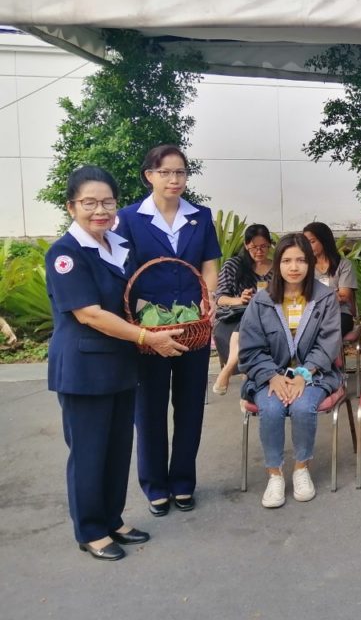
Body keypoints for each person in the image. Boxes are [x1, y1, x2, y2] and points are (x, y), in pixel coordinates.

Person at [46, 166, 187, 561]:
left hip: (121, 366)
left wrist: (165, 318)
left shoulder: (117, 246)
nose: (100, 211)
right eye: (89, 203)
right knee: (89, 452)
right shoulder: (66, 253)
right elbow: (90, 314)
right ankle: (91, 530)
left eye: (107, 202)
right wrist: (147, 337)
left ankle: (113, 518)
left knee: (117, 449)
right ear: (71, 207)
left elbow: (128, 301)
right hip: (84, 370)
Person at [115, 144, 221, 516]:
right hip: (149, 328)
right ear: (150, 176)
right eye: (165, 172)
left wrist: (209, 299)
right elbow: (123, 270)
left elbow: (209, 263)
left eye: (180, 172)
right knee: (150, 409)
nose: (174, 179)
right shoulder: (129, 218)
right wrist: (139, 315)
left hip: (193, 325)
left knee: (190, 407)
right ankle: (155, 485)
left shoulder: (200, 216)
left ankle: (183, 482)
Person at [237, 233, 343, 508]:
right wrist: (272, 376)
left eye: (300, 260)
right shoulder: (261, 301)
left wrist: (303, 375)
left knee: (302, 407)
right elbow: (251, 347)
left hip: (315, 375)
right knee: (271, 409)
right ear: (277, 264)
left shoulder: (325, 297)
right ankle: (274, 474)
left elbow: (329, 342)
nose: (293, 267)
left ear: (310, 263)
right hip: (268, 376)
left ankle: (301, 468)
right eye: (286, 261)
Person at [211, 224, 274, 395]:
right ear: (246, 245)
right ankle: (246, 390)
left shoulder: (278, 268)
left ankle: (230, 368)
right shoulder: (233, 265)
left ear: (270, 245)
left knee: (253, 325)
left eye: (263, 246)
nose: (259, 251)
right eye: (254, 247)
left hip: (267, 317)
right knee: (249, 326)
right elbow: (220, 298)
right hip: (234, 317)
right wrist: (240, 299)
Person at [303, 221, 357, 337]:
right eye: (305, 243)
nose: (308, 246)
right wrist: (332, 295)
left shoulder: (344, 264)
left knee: (325, 333)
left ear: (324, 240)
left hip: (339, 313)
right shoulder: (305, 266)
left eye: (312, 242)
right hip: (313, 313)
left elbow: (344, 296)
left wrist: (317, 297)